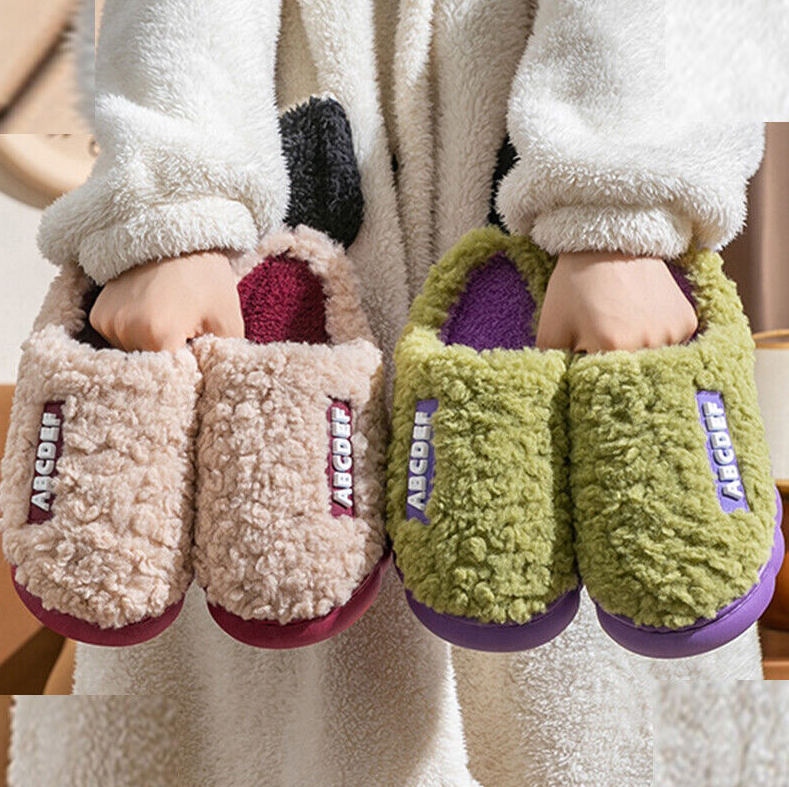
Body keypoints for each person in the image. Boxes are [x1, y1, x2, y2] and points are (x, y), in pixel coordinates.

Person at [10, 1, 783, 786]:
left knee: (615, 648)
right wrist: (172, 212)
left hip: (563, 211)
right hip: (261, 202)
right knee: (262, 570)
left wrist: (619, 203)